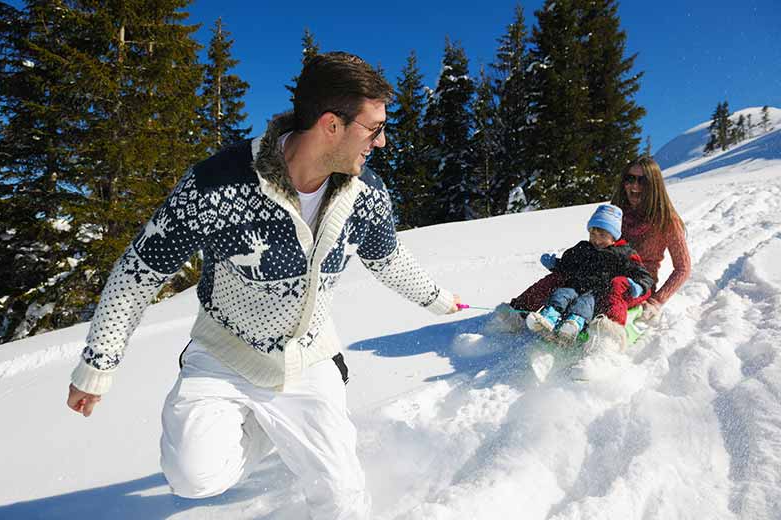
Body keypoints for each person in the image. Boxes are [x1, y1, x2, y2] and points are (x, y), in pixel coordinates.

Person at [65, 52, 461, 519]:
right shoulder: (216, 184)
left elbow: (386, 255)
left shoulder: (366, 194)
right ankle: (269, 431)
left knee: (342, 499)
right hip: (224, 352)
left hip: (308, 356)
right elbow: (139, 272)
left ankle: (290, 424)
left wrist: (438, 299)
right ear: (331, 125)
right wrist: (98, 365)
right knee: (193, 478)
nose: (381, 141)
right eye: (373, 128)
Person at [490, 156, 691, 378]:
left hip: (634, 284)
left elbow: (683, 268)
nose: (633, 186)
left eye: (641, 181)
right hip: (599, 276)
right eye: (629, 178)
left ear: (654, 185)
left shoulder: (667, 221)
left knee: (617, 284)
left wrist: (656, 301)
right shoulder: (616, 212)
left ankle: (605, 346)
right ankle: (517, 314)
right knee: (561, 278)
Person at [524, 204, 654, 345]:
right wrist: (555, 264)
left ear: (613, 237)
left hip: (596, 293)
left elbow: (643, 275)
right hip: (575, 286)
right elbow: (568, 264)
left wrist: (638, 285)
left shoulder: (623, 254)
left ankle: (573, 325)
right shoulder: (583, 248)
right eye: (593, 234)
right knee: (560, 295)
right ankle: (548, 318)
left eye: (602, 235)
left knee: (583, 305)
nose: (596, 240)